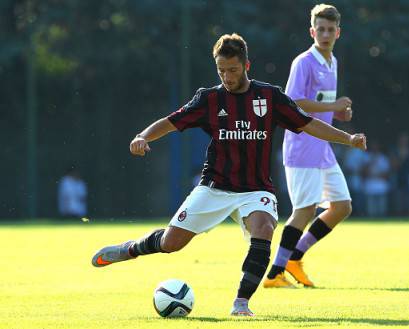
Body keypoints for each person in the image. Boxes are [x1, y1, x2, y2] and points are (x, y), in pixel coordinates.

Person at [91, 33, 366, 316]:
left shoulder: (270, 97)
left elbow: (307, 124)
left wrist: (348, 138)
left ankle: (241, 303)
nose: (227, 76)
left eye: (232, 70)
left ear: (247, 66)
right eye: (221, 70)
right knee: (170, 243)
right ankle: (130, 249)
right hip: (215, 186)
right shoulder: (209, 99)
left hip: (256, 189)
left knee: (264, 229)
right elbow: (171, 122)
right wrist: (143, 136)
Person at [264, 4, 355, 288]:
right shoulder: (303, 61)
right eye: (321, 29)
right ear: (312, 31)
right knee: (304, 210)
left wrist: (338, 113)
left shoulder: (332, 61)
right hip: (302, 147)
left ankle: (294, 257)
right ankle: (274, 273)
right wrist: (332, 105)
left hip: (323, 149)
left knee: (341, 206)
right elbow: (292, 102)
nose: (325, 34)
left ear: (338, 32)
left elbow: (318, 104)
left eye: (331, 29)